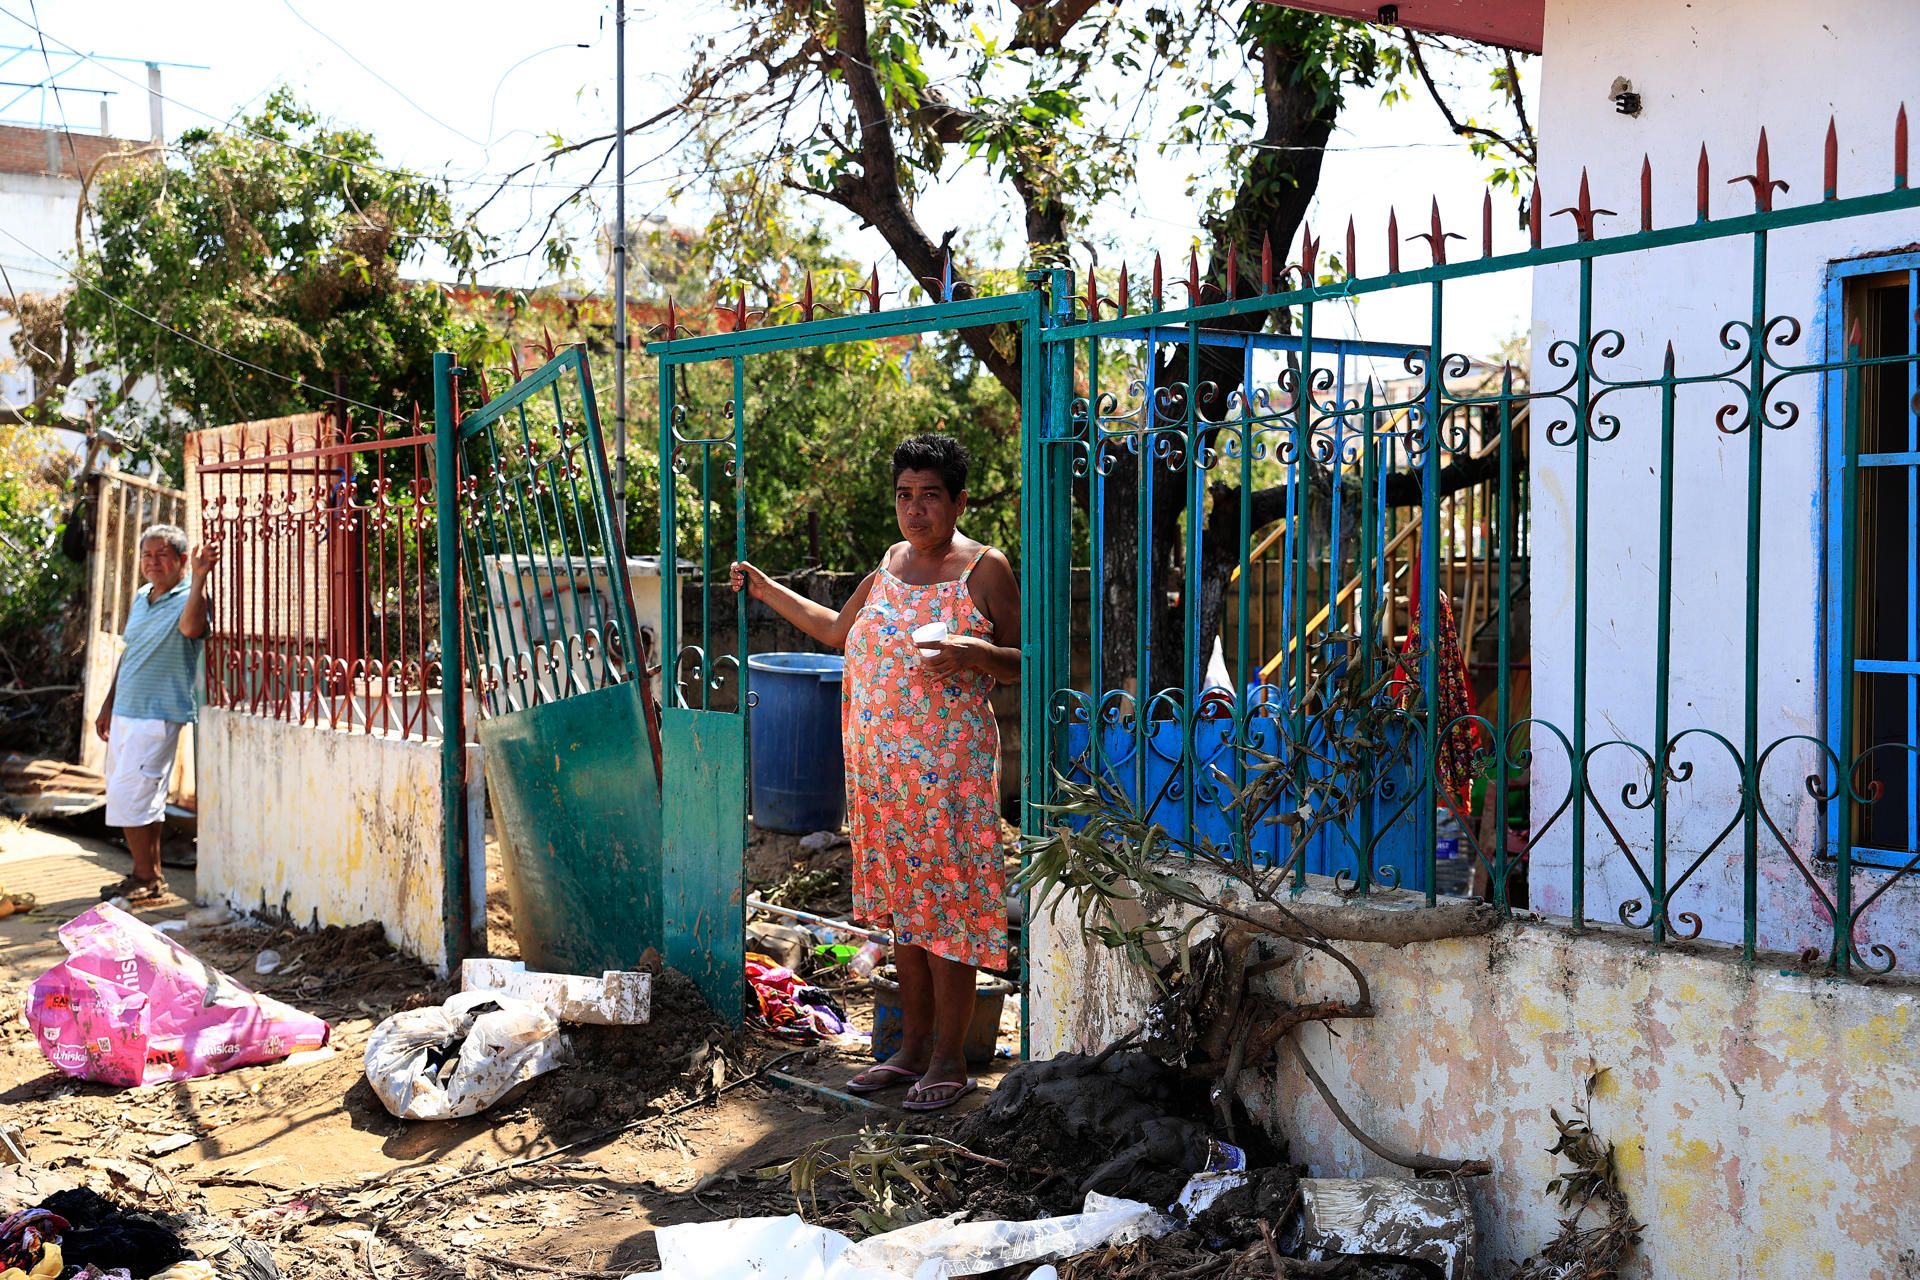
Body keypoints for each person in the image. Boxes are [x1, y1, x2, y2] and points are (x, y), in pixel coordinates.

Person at [732, 434, 1019, 1111]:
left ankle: (950, 1059)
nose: (915, 510)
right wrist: (767, 589)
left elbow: (1026, 658)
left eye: (930, 496)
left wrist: (974, 653)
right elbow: (837, 631)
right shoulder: (889, 564)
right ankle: (912, 1050)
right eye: (904, 495)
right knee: (906, 917)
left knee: (947, 915)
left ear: (959, 501)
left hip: (947, 777)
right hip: (880, 780)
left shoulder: (985, 569)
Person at [94, 524, 218, 903]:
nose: (152, 562)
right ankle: (148, 876)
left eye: (162, 555)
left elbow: (191, 629)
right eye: (147, 555)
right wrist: (108, 703)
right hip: (126, 710)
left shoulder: (192, 596)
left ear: (180, 560)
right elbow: (130, 651)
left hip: (157, 714)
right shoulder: (141, 596)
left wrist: (199, 577)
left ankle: (145, 877)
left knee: (131, 797)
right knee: (137, 797)